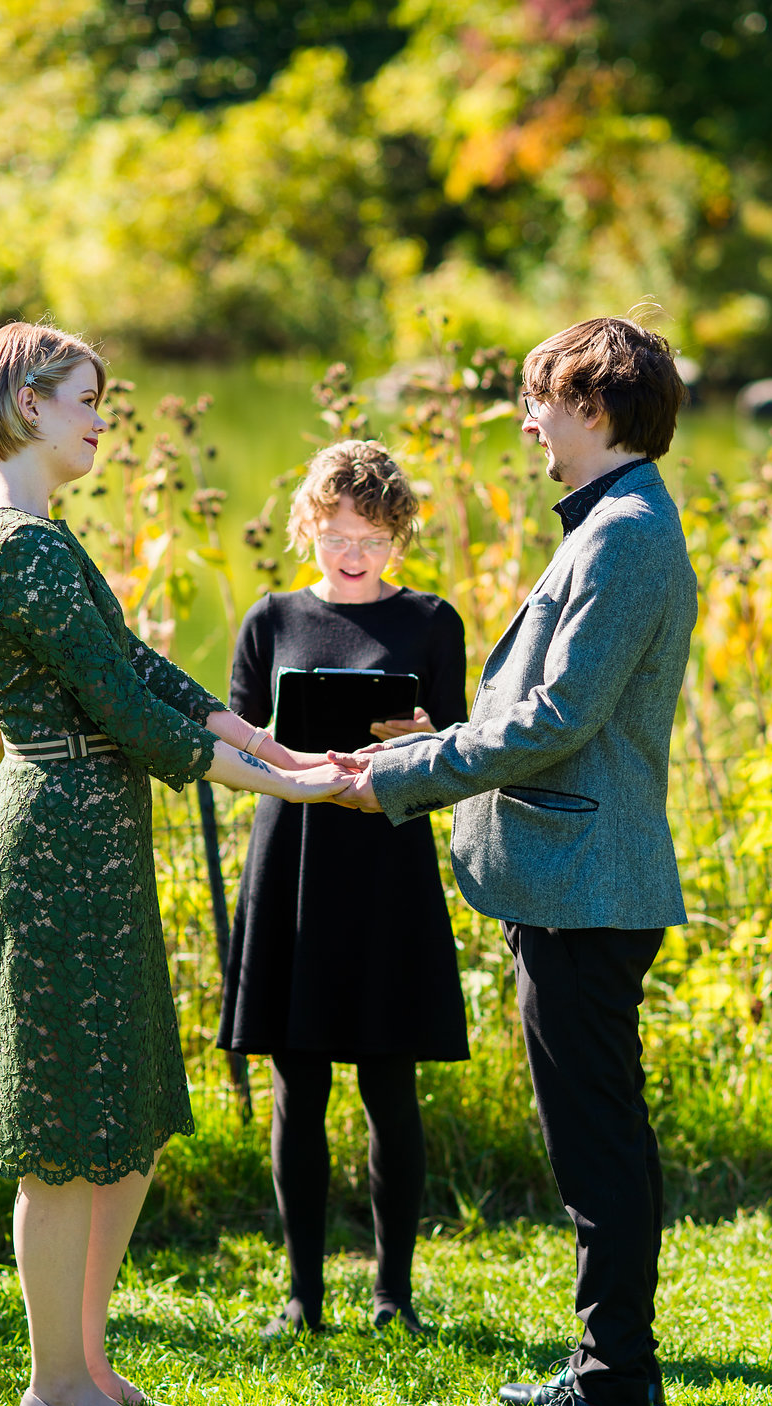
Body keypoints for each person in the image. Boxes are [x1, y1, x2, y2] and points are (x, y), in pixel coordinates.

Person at [0, 321, 352, 1406]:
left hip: (93, 830)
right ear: (26, 402)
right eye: (86, 398)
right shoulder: (12, 544)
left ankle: (87, 1365)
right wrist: (287, 789)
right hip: (59, 839)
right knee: (67, 1126)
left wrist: (261, 740)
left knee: (120, 1116)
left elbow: (132, 666)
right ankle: (54, 1389)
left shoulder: (33, 531)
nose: (101, 419)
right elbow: (121, 716)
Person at [331, 318, 697, 1406]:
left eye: (537, 399)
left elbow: (557, 720)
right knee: (596, 1136)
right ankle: (609, 1364)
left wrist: (398, 772)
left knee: (595, 1144)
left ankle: (610, 1390)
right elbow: (542, 712)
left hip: (591, 882)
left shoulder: (628, 532)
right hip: (571, 878)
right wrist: (445, 734)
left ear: (593, 406)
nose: (525, 419)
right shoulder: (608, 523)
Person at [217, 440, 469, 1336]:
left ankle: (392, 1294)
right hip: (291, 862)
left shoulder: (433, 622)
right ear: (307, 529)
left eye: (369, 532)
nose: (351, 550)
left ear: (398, 533)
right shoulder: (269, 617)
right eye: (333, 532)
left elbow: (458, 750)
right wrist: (279, 746)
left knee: (389, 1083)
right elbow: (241, 737)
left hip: (387, 865)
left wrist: (423, 733)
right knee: (299, 1082)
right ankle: (302, 1294)